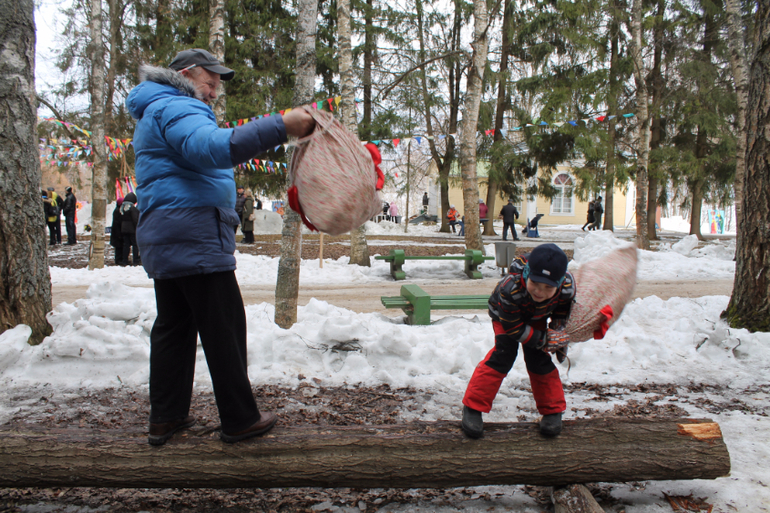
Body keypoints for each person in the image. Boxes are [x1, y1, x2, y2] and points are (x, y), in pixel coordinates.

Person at [126, 47, 316, 445]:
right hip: (193, 231)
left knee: (174, 326)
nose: (213, 92)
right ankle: (240, 418)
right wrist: (282, 125)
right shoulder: (178, 106)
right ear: (186, 74)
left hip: (167, 232)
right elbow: (214, 148)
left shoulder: (154, 110)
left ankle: (165, 418)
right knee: (224, 326)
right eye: (210, 82)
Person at [461, 243, 575, 439]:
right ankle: (473, 406)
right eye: (535, 283)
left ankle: (552, 410)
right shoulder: (510, 288)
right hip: (506, 317)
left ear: (559, 283)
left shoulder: (566, 288)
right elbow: (514, 328)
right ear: (527, 274)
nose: (539, 291)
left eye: (548, 287)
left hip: (537, 315)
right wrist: (544, 339)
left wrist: (557, 332)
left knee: (538, 358)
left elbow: (562, 311)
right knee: (503, 355)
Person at [120, 192, 141, 266]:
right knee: (135, 245)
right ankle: (135, 260)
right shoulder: (132, 209)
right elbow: (135, 219)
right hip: (132, 230)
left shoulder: (122, 209)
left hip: (124, 229)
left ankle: (125, 260)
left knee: (126, 245)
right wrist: (137, 227)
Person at [110, 198, 124, 265]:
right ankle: (118, 260)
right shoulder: (117, 211)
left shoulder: (117, 210)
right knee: (118, 248)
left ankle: (119, 259)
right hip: (117, 232)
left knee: (119, 247)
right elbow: (117, 223)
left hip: (117, 232)